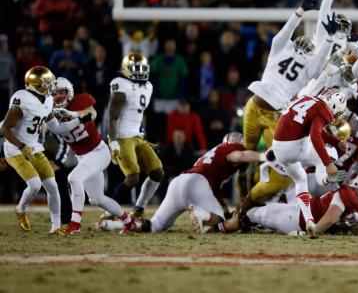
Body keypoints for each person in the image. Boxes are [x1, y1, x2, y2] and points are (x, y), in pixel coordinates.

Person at [100, 133, 260, 233]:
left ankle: (112, 226)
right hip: (198, 183)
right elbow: (238, 156)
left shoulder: (211, 154)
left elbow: (216, 191)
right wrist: (265, 156)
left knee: (155, 225)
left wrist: (225, 210)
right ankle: (201, 213)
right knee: (218, 220)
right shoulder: (232, 149)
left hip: (179, 182)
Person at [242, 0, 335, 151]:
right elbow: (320, 61)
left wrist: (300, 11)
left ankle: (245, 173)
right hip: (277, 111)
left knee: (247, 151)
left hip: (255, 103)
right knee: (275, 159)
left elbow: (284, 33)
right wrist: (329, 38)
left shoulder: (281, 49)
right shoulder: (309, 66)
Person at [257, 87, 348, 238]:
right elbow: (315, 135)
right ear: (333, 105)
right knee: (327, 154)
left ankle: (309, 221)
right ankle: (324, 177)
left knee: (301, 179)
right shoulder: (323, 109)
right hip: (295, 146)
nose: (335, 116)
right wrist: (328, 163)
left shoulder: (307, 98)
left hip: (279, 147)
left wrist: (335, 141)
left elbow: (313, 127)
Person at [50, 77, 135, 234]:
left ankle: (75, 225)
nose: (58, 96)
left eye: (62, 92)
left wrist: (71, 113)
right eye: (55, 94)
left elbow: (92, 113)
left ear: (69, 92)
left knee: (73, 178)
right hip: (82, 157)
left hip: (98, 152)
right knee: (97, 199)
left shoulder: (81, 100)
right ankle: (129, 222)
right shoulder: (50, 113)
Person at [0, 66, 68, 233]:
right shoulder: (22, 99)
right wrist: (21, 146)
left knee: (52, 185)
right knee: (35, 185)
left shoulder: (48, 100)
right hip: (15, 148)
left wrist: (76, 120)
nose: (52, 85)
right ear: (36, 85)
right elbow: (5, 129)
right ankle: (21, 209)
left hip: (34, 147)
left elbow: (56, 128)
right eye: (48, 82)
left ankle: (56, 226)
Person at [225, 172, 358, 236]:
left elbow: (330, 218)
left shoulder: (345, 195)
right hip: (307, 207)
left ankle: (223, 226)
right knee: (293, 189)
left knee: (253, 213)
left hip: (299, 219)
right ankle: (263, 221)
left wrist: (310, 232)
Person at [108, 52, 163, 219]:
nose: (139, 72)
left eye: (142, 68)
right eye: (135, 68)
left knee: (157, 173)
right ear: (125, 69)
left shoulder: (148, 86)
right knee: (132, 177)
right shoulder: (121, 84)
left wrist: (143, 135)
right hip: (122, 136)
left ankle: (139, 208)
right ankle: (108, 212)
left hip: (137, 136)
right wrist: (113, 142)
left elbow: (138, 115)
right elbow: (112, 116)